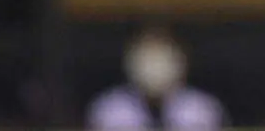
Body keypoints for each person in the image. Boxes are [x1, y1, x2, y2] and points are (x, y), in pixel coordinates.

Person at [85, 25, 228, 131]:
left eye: (161, 59)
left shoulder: (203, 109)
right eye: (147, 59)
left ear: (181, 61)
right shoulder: (108, 109)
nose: (154, 67)